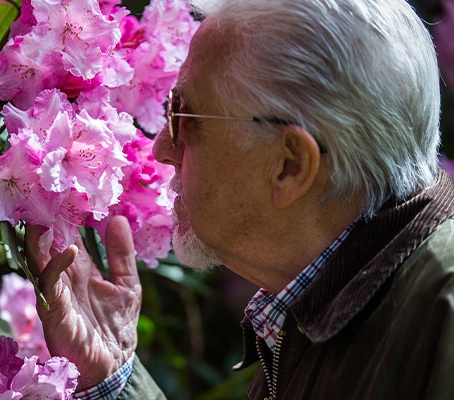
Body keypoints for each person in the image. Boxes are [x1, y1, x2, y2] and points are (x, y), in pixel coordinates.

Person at [24, 0, 454, 398]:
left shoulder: (442, 315)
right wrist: (115, 379)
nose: (160, 149)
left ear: (289, 166)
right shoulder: (328, 298)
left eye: (183, 116)